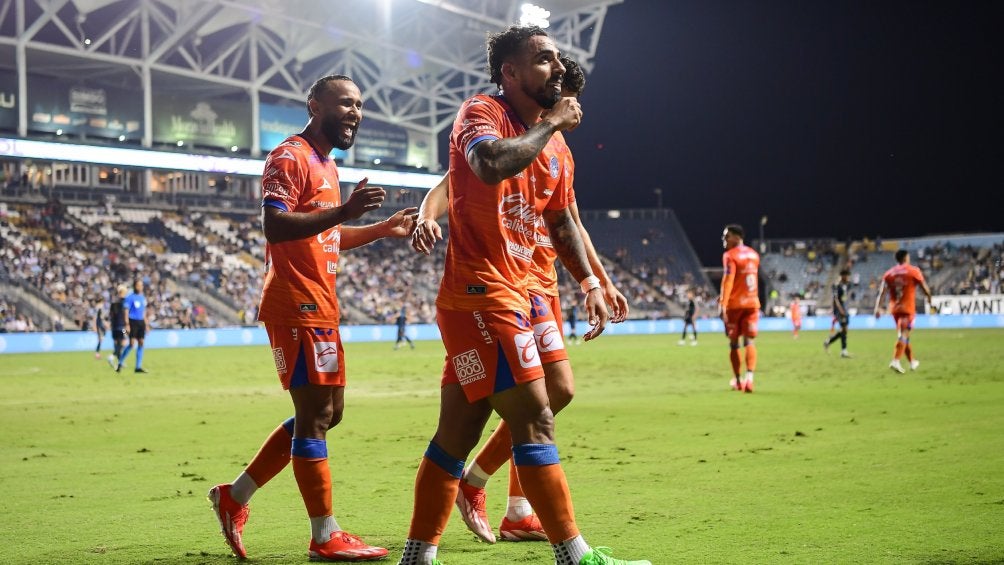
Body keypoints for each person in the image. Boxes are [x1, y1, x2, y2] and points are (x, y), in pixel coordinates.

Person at [399, 26, 647, 565]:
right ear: (509, 73)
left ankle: (417, 555)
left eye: (557, 60)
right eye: (541, 60)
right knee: (534, 415)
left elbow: (563, 223)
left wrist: (591, 283)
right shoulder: (480, 113)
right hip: (481, 292)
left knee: (465, 428)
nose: (556, 68)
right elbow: (485, 166)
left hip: (530, 288)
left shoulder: (556, 147)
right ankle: (573, 554)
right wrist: (554, 121)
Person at [206, 74, 417, 562]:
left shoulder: (326, 163)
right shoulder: (289, 155)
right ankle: (325, 533)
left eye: (360, 105)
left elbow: (325, 236)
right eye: (345, 103)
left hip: (320, 303)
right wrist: (343, 210)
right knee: (316, 417)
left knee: (325, 413)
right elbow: (275, 225)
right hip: (295, 303)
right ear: (315, 104)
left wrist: (379, 230)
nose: (355, 113)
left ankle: (233, 497)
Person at [874, 249, 933, 373]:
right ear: (906, 258)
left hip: (895, 309)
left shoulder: (889, 273)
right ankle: (895, 361)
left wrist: (877, 308)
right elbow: (924, 288)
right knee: (904, 335)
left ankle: (912, 362)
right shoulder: (913, 271)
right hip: (908, 308)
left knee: (904, 336)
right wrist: (929, 299)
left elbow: (882, 293)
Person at [719, 224, 761, 393]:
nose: (724, 240)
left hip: (735, 306)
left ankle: (737, 381)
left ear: (737, 237)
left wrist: (723, 303)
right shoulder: (754, 254)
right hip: (752, 304)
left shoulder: (730, 255)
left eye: (727, 236)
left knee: (734, 343)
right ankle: (749, 380)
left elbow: (728, 280)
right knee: (750, 341)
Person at [116, 280, 150, 374]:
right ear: (135, 286)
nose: (141, 287)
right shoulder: (130, 297)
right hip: (132, 321)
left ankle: (138, 367)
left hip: (141, 322)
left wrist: (146, 324)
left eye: (141, 285)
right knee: (131, 343)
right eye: (139, 285)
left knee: (141, 342)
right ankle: (120, 363)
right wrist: (127, 324)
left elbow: (143, 312)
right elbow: (126, 311)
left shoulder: (142, 298)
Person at [824, 269, 853, 357]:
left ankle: (828, 341)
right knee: (844, 329)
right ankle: (844, 351)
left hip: (845, 309)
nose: (848, 277)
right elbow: (836, 299)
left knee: (844, 330)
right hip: (839, 310)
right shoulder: (836, 285)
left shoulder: (846, 285)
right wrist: (840, 309)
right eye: (847, 276)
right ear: (842, 276)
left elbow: (845, 297)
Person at [107, 285, 128, 368]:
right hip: (122, 327)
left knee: (117, 343)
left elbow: (111, 316)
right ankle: (111, 357)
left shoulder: (113, 303)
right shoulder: (125, 302)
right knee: (123, 343)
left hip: (114, 328)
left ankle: (120, 362)